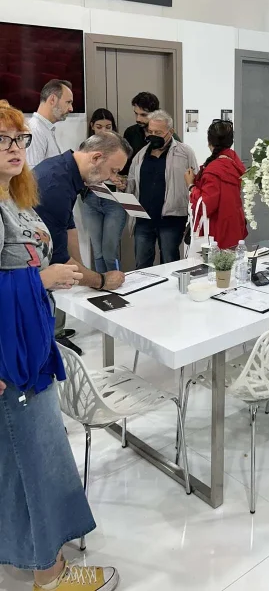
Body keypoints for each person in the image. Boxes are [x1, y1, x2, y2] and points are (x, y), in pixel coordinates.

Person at [0, 100, 119, 591]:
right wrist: (42, 279)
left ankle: (28, 552)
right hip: (11, 358)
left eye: (19, 138)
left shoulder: (14, 196)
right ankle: (50, 575)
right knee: (33, 462)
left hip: (30, 344)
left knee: (25, 460)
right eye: (3, 139)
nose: (15, 148)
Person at [34, 132, 130, 355]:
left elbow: (69, 228)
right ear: (96, 158)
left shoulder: (65, 170)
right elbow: (58, 258)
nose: (111, 178)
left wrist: (81, 272)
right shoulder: (55, 185)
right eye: (113, 170)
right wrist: (101, 280)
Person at [128, 110, 198, 269]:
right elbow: (131, 183)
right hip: (143, 219)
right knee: (142, 264)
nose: (153, 136)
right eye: (150, 132)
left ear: (170, 132)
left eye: (158, 133)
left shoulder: (184, 152)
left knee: (169, 263)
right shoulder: (140, 155)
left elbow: (196, 179)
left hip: (172, 219)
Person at [185, 119, 247, 250]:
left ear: (209, 142)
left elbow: (205, 205)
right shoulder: (234, 163)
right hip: (234, 226)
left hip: (216, 231)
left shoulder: (214, 170)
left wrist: (191, 186)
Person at [80, 109, 128, 273]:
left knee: (109, 253)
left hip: (114, 202)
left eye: (108, 127)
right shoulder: (85, 148)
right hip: (91, 200)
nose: (103, 131)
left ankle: (116, 282)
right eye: (99, 127)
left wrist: (122, 181)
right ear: (92, 126)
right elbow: (80, 174)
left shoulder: (122, 149)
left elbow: (129, 176)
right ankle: (102, 283)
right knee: (98, 253)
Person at [26, 79, 74, 169]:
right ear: (52, 100)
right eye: (68, 102)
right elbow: (33, 173)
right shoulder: (35, 130)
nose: (71, 108)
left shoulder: (44, 129)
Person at [122, 91, 160, 160]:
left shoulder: (166, 135)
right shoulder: (130, 132)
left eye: (143, 115)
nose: (138, 119)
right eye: (136, 113)